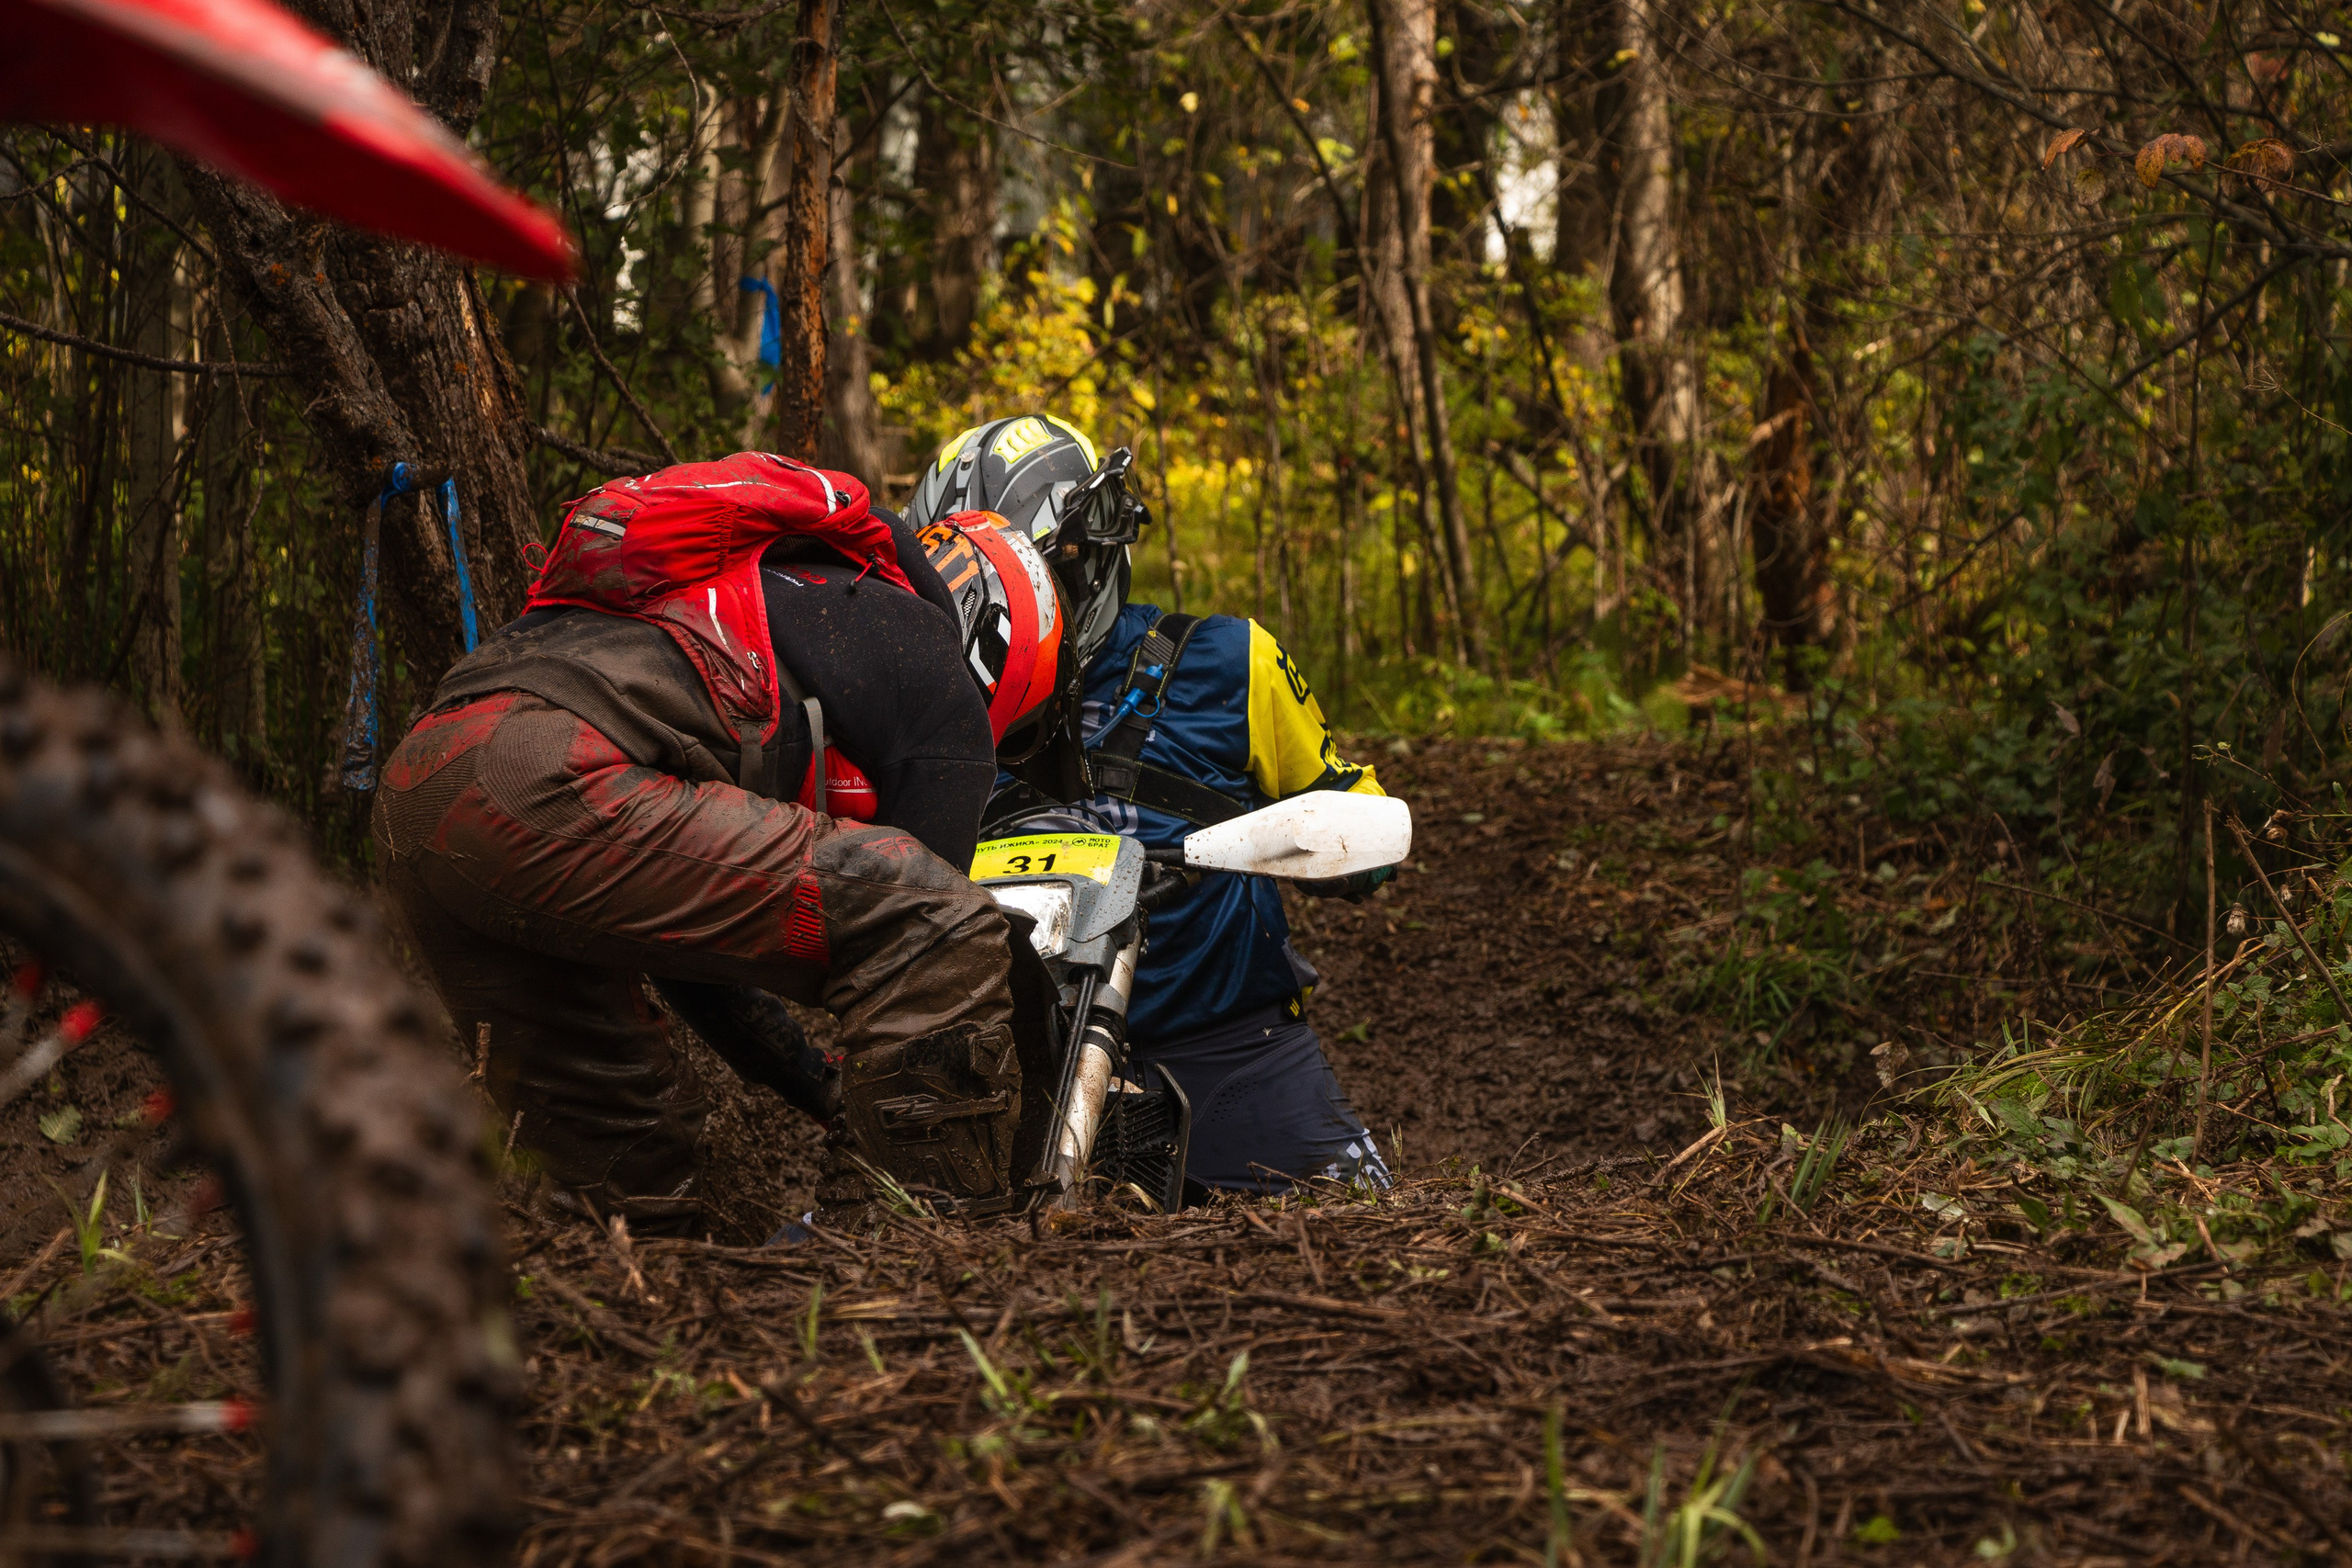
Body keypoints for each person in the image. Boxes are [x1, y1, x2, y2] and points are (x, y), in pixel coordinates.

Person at [371, 451, 1071, 1232]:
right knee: (944, 921)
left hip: (419, 793)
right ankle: (900, 1259)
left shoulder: (763, 598)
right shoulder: (933, 667)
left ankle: (628, 1322)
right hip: (545, 780)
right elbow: (930, 929)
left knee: (632, 1185)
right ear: (1014, 656)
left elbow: (686, 952)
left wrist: (821, 1083)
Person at [907, 415, 1398, 1197]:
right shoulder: (942, 708)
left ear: (1085, 553)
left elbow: (1353, 804)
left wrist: (1348, 850)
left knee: (1381, 1234)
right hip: (1013, 1067)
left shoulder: (1231, 660)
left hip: (1235, 1053)